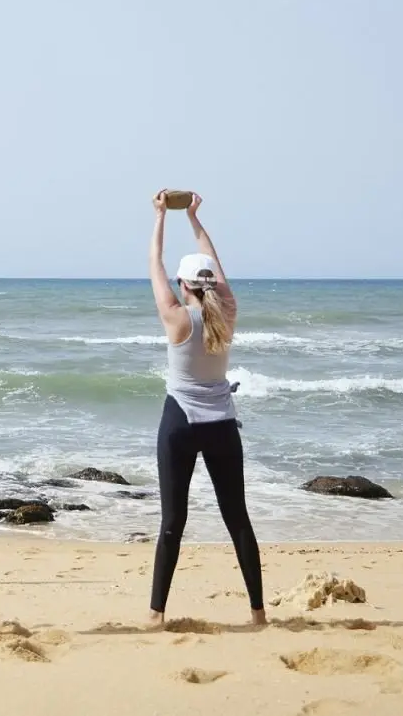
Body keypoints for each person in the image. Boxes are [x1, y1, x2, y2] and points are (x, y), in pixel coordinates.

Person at [146, 189, 264, 628]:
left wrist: (160, 216)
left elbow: (154, 264)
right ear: (213, 283)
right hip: (222, 424)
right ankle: (258, 614)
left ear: (183, 286)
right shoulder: (227, 311)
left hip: (180, 420)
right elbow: (213, 264)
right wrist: (195, 219)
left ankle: (157, 616)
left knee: (173, 520)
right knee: (238, 519)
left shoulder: (177, 317)